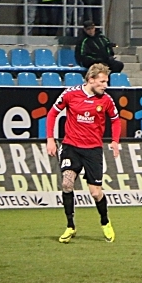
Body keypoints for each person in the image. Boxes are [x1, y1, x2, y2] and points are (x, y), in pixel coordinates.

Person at [46, 63, 121, 244]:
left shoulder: (106, 100)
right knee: (67, 183)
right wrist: (50, 139)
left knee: (95, 193)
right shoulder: (70, 94)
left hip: (93, 150)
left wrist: (115, 141)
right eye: (103, 81)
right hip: (71, 147)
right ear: (91, 79)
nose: (106, 85)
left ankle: (105, 221)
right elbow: (52, 114)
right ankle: (70, 226)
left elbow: (116, 120)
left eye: (106, 82)